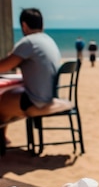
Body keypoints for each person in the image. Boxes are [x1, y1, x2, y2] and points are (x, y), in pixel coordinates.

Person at [0, 8, 61, 143]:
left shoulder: (28, 42)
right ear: (42, 25)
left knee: (2, 101)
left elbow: (4, 66)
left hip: (37, 101)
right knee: (9, 96)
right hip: (50, 96)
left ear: (24, 25)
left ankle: (2, 138)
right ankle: (2, 138)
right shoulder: (48, 40)